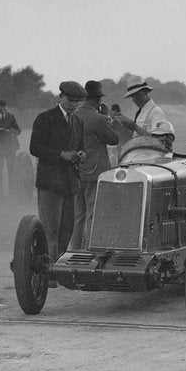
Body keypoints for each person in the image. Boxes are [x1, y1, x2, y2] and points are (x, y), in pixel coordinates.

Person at [30, 81, 86, 270]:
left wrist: (81, 154)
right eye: (71, 100)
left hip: (71, 182)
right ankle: (48, 268)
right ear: (60, 96)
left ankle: (59, 267)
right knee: (49, 228)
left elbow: (81, 146)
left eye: (77, 102)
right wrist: (61, 154)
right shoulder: (45, 118)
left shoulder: (78, 121)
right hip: (50, 182)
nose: (74, 105)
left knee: (67, 227)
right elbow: (35, 148)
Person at [71, 81, 121, 250]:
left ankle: (75, 250)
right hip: (95, 173)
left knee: (78, 215)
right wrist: (107, 118)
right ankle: (89, 251)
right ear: (98, 100)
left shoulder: (73, 115)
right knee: (93, 214)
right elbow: (114, 139)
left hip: (76, 172)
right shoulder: (98, 118)